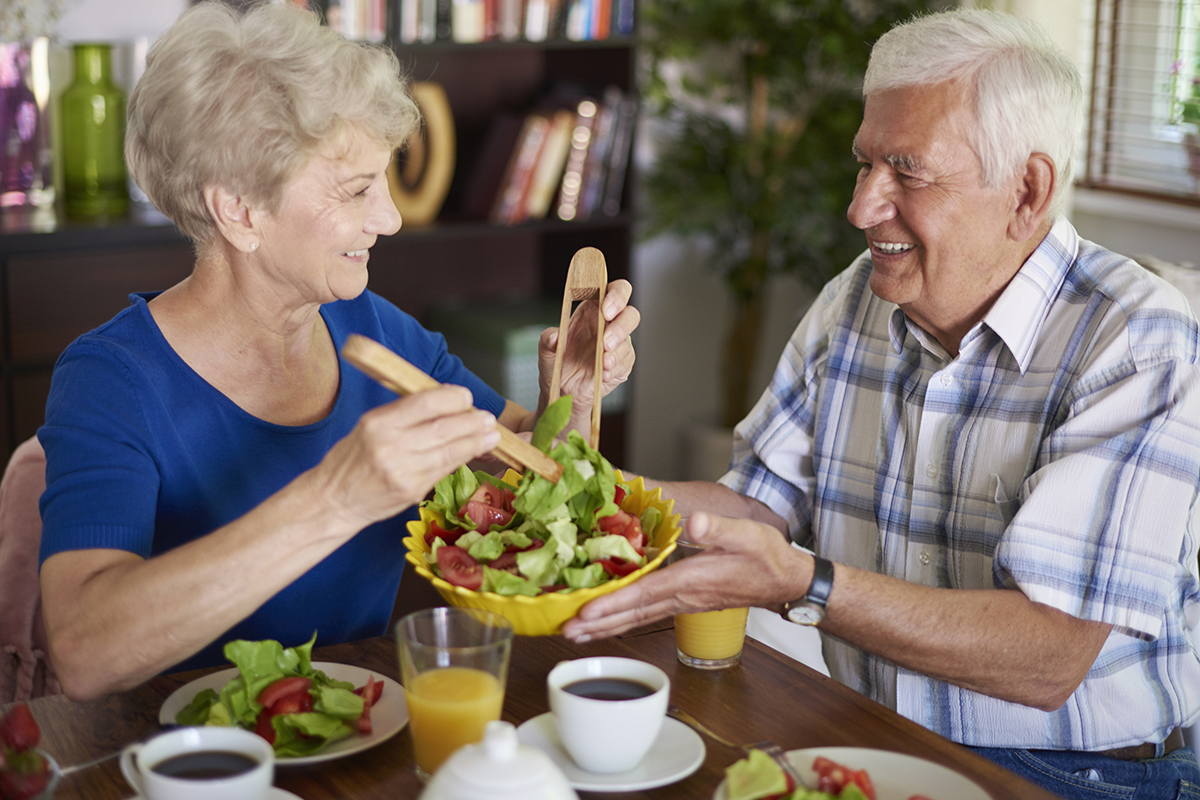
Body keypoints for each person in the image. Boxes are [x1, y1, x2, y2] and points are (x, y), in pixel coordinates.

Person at [562, 8, 1200, 798]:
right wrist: (566, 487)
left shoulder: (1138, 337)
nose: (862, 207)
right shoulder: (857, 299)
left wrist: (805, 582)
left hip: (1081, 773)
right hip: (873, 735)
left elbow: (1048, 658)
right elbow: (755, 510)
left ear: (1027, 190)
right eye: (865, 164)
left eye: (908, 170)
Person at [37, 0, 638, 703]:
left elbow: (528, 484)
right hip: (187, 756)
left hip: (359, 730)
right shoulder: (112, 378)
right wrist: (336, 498)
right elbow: (83, 651)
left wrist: (572, 395)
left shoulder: (375, 329)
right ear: (239, 209)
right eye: (357, 190)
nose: (388, 218)